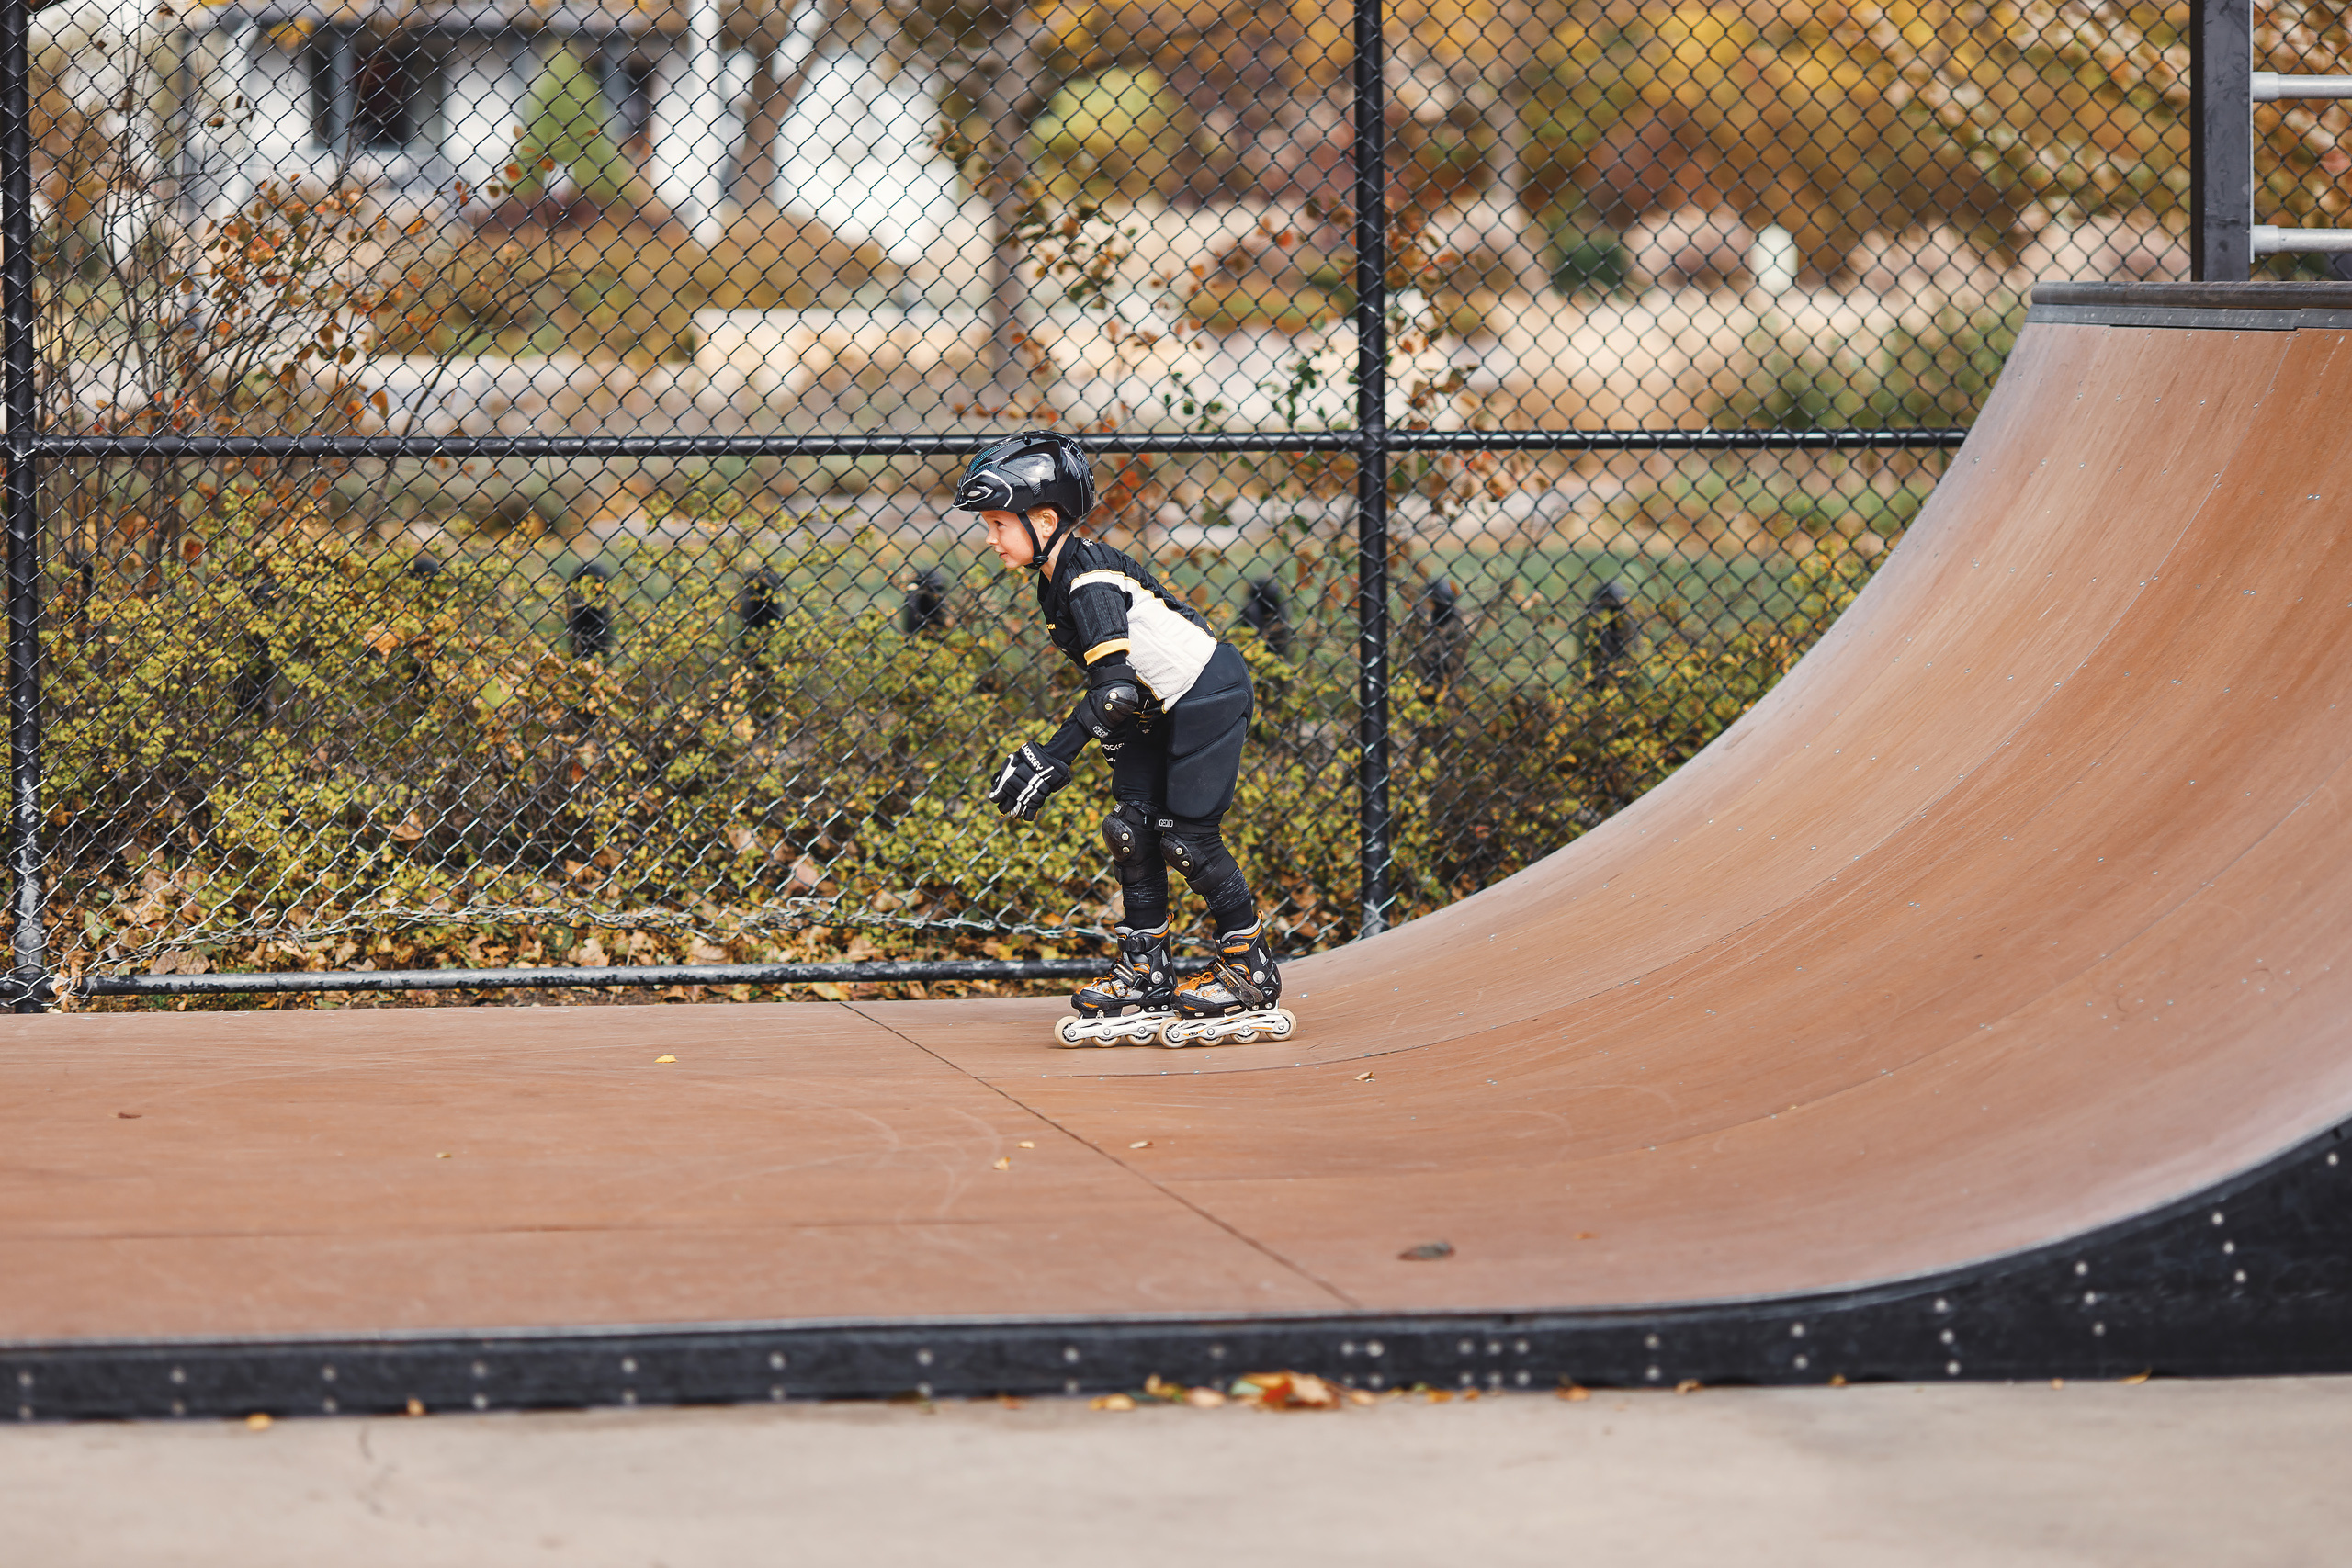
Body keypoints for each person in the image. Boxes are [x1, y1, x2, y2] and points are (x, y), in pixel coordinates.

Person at [954, 432, 1290, 1048]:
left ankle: (1250, 966)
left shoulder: (1087, 581)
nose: (991, 537)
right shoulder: (1057, 578)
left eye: (999, 522)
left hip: (1205, 693)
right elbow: (1128, 679)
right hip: (1156, 703)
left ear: (1045, 519)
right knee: (1130, 829)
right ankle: (1148, 972)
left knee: (1186, 837)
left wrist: (1054, 756)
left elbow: (1114, 694)